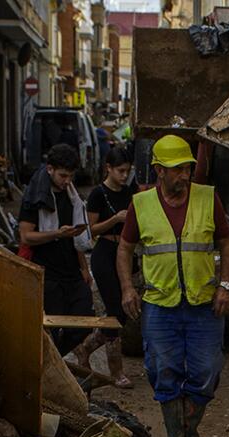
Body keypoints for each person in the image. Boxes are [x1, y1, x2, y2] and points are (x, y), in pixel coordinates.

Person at [118, 135, 229, 437]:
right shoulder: (140, 204)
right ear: (158, 170)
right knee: (162, 368)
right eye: (177, 169)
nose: (184, 175)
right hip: (160, 304)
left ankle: (190, 432)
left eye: (187, 168)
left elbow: (226, 242)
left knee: (207, 369)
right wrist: (128, 287)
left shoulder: (208, 198)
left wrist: (225, 284)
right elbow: (125, 247)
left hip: (203, 304)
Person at [20, 143, 95, 354]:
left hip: (72, 273)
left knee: (84, 321)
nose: (67, 181)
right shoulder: (35, 197)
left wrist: (83, 268)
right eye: (63, 175)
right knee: (50, 326)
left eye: (70, 176)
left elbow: (75, 237)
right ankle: (50, 366)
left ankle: (57, 359)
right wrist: (57, 234)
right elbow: (26, 236)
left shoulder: (73, 197)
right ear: (50, 169)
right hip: (47, 274)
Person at [78, 144, 136, 387]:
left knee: (122, 311)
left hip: (126, 252)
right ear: (108, 169)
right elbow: (90, 231)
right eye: (120, 171)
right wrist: (115, 219)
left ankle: (86, 348)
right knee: (115, 309)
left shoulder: (129, 190)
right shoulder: (97, 194)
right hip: (105, 253)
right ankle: (117, 371)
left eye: (127, 171)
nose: (124, 176)